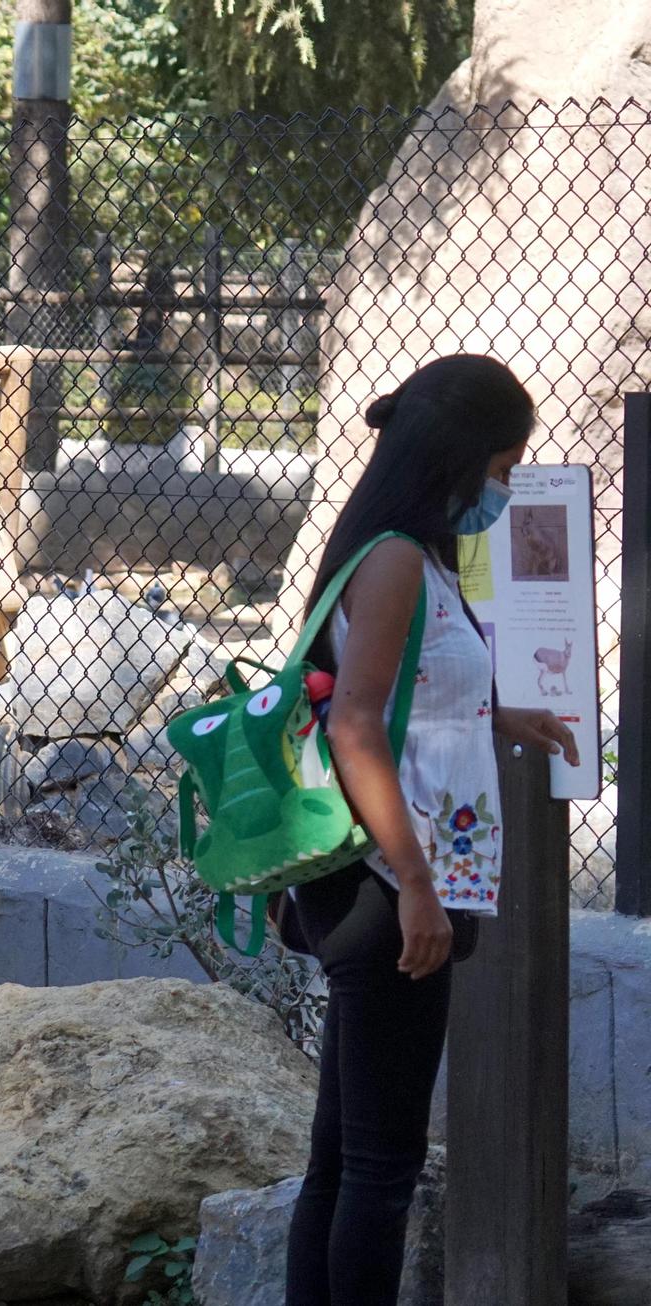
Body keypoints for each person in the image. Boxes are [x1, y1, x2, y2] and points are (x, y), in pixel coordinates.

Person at [281, 354, 578, 1305]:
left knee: (343, 1159)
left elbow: (399, 695)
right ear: (457, 460)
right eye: (501, 471)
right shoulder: (399, 557)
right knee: (379, 1171)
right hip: (388, 889)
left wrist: (498, 718)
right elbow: (357, 723)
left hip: (385, 885)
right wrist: (415, 884)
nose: (502, 492)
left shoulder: (406, 552)